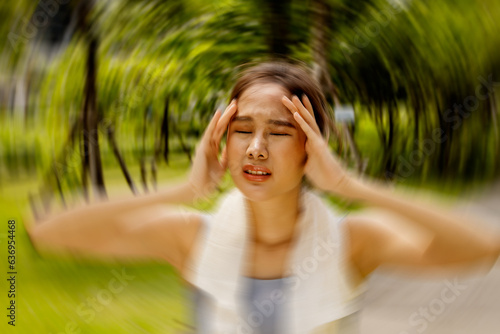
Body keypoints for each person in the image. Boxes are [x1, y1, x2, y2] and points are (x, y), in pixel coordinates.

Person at [28, 61, 500, 334]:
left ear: (309, 148)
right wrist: (182, 190)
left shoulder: (351, 241)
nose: (256, 147)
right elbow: (48, 231)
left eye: (278, 131)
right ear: (223, 141)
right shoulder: (191, 237)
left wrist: (351, 186)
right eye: (242, 130)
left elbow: (483, 245)